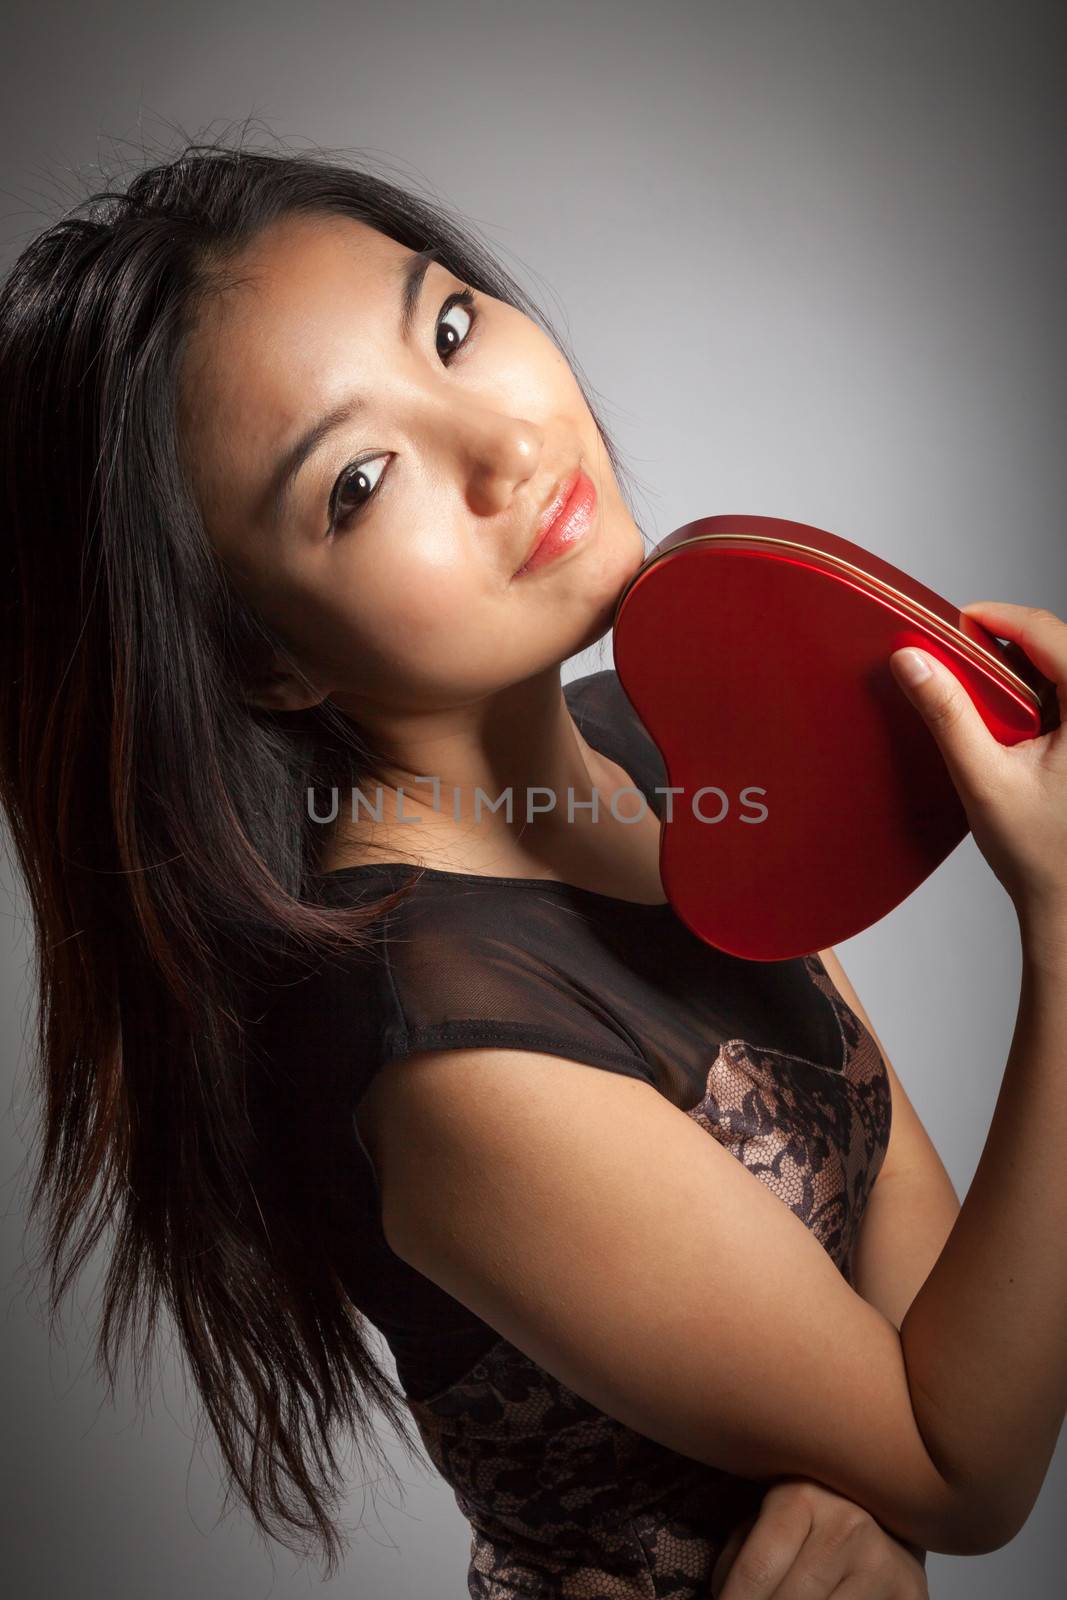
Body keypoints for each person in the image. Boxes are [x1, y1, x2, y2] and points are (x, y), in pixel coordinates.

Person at [1, 137, 1063, 1599]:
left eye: (449, 327)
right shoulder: (437, 1041)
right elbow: (968, 1460)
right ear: (262, 658)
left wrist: (869, 1476)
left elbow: (937, 1337)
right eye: (361, 481)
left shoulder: (656, 737)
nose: (504, 446)